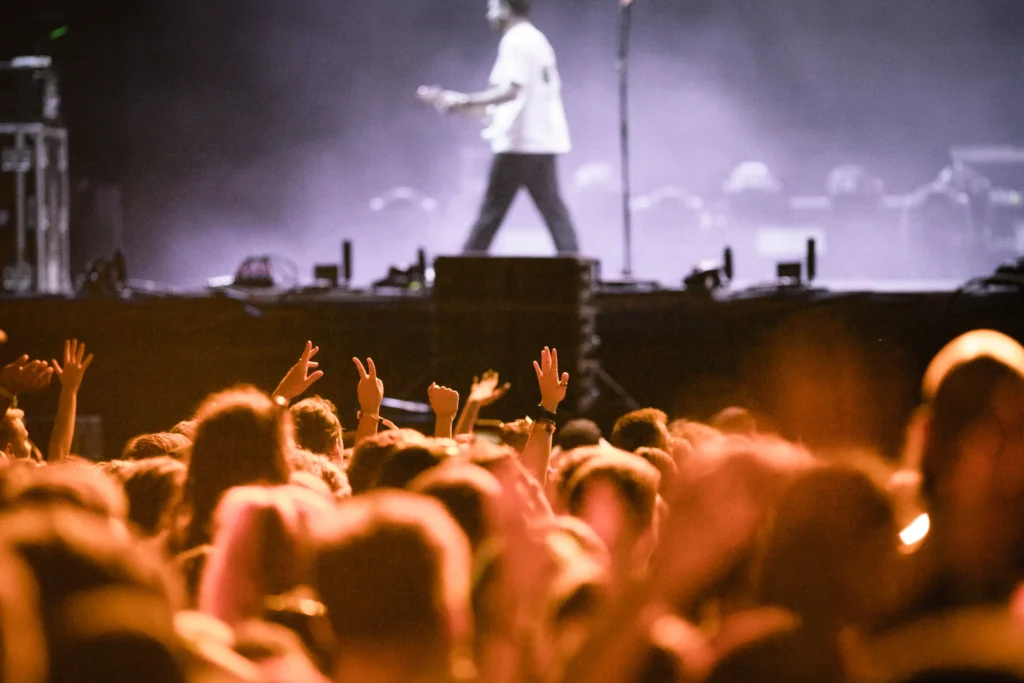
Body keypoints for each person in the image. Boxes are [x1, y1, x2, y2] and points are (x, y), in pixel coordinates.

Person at [426, 0, 580, 255]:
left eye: (492, 8)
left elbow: (511, 90)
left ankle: (463, 274)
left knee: (491, 214)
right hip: (540, 140)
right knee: (553, 212)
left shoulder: (516, 41)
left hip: (519, 143)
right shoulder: (536, 40)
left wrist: (466, 100)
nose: (489, 15)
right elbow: (519, 98)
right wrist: (463, 105)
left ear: (505, 9)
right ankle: (577, 270)